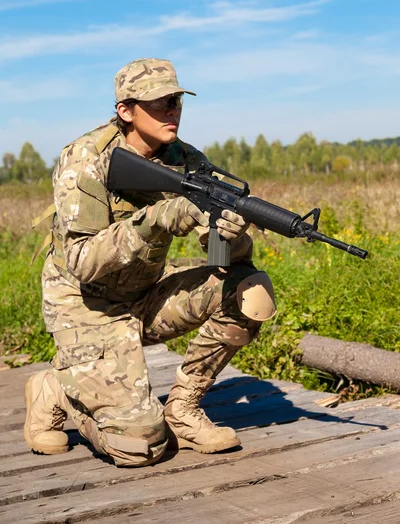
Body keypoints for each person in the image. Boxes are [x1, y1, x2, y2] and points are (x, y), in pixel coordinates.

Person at [24, 58, 276, 467]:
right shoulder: (86, 159)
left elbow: (222, 263)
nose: (172, 110)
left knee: (250, 288)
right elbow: (82, 260)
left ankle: (184, 408)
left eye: (176, 100)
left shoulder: (186, 159)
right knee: (141, 446)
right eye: (159, 103)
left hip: (142, 295)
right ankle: (56, 390)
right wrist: (158, 218)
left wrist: (232, 237)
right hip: (85, 307)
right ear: (125, 110)